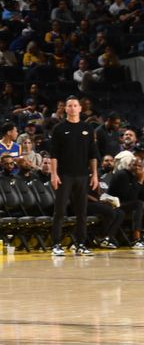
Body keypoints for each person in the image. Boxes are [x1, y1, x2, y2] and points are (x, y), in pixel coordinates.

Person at [49, 96, 100, 256]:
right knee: (60, 211)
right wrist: (54, 174)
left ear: (80, 108)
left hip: (83, 175)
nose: (72, 108)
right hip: (64, 175)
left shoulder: (88, 128)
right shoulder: (59, 128)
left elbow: (93, 154)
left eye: (75, 105)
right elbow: (54, 154)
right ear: (65, 109)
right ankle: (56, 244)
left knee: (82, 212)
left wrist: (95, 175)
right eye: (69, 106)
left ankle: (80, 244)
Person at [107, 157, 144, 248]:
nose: (137, 168)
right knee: (138, 204)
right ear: (128, 165)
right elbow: (127, 197)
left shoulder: (134, 176)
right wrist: (139, 181)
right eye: (134, 165)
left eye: (139, 166)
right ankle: (136, 239)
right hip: (114, 204)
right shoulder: (122, 175)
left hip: (125, 204)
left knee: (140, 204)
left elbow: (141, 195)